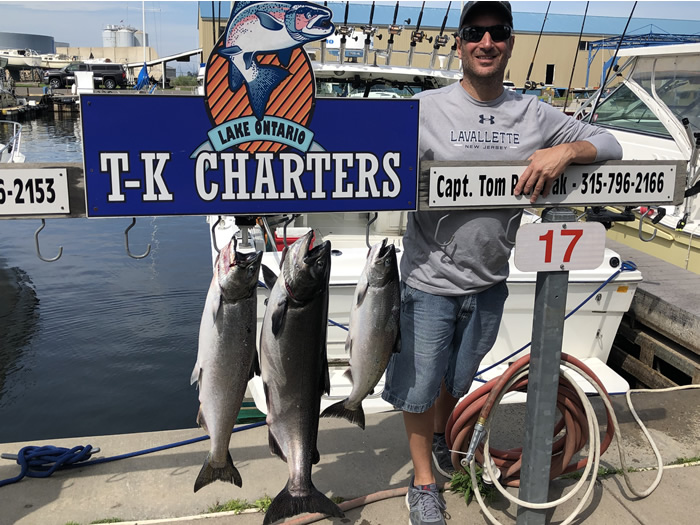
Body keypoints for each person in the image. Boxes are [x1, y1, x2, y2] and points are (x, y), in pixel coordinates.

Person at [380, 3, 623, 525]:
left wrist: (567, 151)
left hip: (490, 282)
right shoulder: (424, 108)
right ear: (460, 42)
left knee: (456, 379)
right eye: (475, 33)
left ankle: (445, 445)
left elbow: (610, 142)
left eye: (497, 34)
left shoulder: (534, 114)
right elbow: (359, 153)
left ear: (510, 44)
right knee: (420, 389)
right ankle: (423, 485)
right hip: (427, 280)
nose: (485, 42)